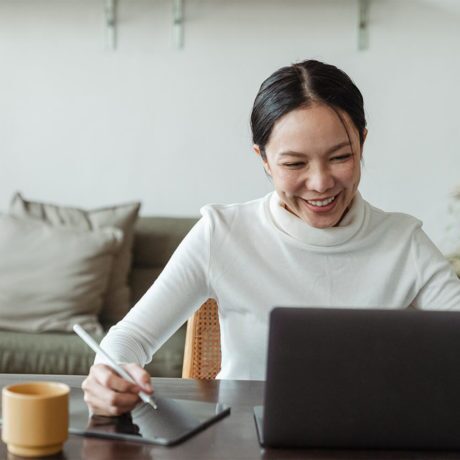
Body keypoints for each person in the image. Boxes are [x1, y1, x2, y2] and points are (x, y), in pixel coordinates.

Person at [82, 59, 460, 416]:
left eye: (341, 157)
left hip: (370, 437)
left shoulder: (403, 241)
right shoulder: (222, 233)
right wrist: (109, 376)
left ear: (362, 141)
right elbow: (130, 337)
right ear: (263, 159)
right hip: (240, 439)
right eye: (294, 163)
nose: (320, 183)